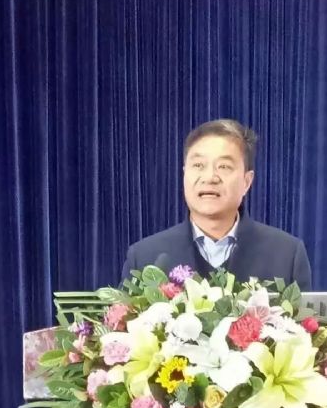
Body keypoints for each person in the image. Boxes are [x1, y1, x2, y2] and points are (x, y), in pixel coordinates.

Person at [120, 119, 311, 289]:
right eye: (198, 165)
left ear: (247, 181)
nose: (210, 177)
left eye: (224, 166)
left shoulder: (287, 255)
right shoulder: (145, 257)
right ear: (185, 173)